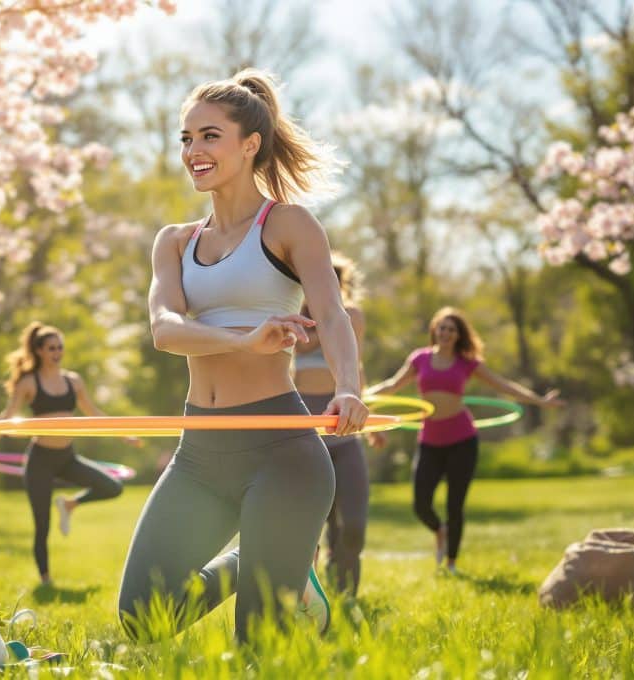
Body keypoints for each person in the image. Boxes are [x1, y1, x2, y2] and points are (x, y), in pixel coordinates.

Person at [116, 68, 368, 643]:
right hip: (200, 453)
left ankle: (273, 561)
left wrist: (350, 387)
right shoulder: (175, 241)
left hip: (281, 450)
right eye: (185, 138)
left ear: (250, 144)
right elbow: (165, 328)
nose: (193, 151)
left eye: (209, 136)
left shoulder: (288, 224)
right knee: (141, 620)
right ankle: (255, 562)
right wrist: (241, 340)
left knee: (257, 644)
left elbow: (331, 314)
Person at [367, 307, 562, 573]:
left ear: (459, 335)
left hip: (462, 440)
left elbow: (504, 386)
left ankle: (451, 562)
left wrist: (539, 401)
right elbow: (391, 386)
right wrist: (361, 396)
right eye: (442, 327)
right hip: (430, 441)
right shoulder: (419, 359)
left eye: (451, 329)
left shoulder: (466, 363)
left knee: (455, 504)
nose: (446, 333)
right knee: (421, 503)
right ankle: (440, 531)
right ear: (434, 330)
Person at [0, 322, 130, 586]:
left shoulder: (73, 380)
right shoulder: (28, 382)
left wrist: (124, 434)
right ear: (39, 351)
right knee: (42, 524)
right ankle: (46, 580)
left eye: (60, 347)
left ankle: (70, 504)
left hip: (67, 457)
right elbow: (7, 416)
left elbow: (94, 413)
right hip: (40, 462)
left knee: (112, 486)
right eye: (51, 348)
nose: (57, 352)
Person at [293, 253, 381, 597]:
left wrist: (369, 420)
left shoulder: (352, 314)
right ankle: (319, 589)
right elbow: (299, 349)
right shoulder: (295, 314)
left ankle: (346, 583)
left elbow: (354, 365)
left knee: (354, 524)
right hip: (304, 424)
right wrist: (320, 322)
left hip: (341, 423)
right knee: (315, 518)